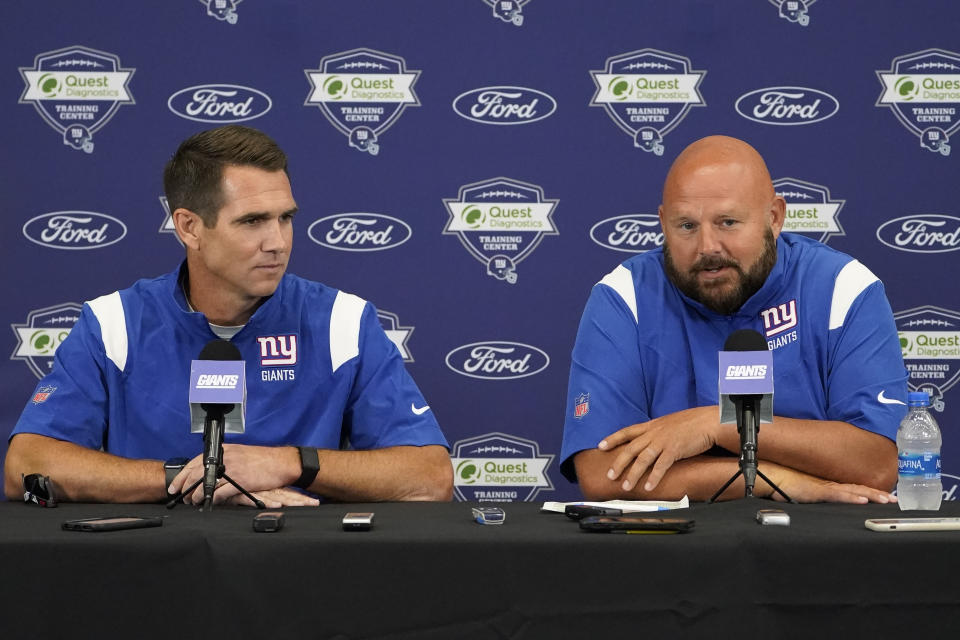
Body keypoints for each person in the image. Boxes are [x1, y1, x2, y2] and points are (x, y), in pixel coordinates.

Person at [5, 125, 453, 507]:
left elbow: (430, 477)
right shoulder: (113, 323)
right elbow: (25, 466)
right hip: (151, 577)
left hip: (305, 576)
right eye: (252, 221)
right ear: (189, 227)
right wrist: (195, 478)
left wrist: (284, 463)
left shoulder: (343, 322)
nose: (277, 242)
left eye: (285, 218)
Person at [560, 135, 908, 503]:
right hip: (670, 551)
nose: (708, 246)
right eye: (686, 226)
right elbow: (602, 473)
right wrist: (767, 478)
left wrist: (718, 425)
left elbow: (878, 465)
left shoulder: (843, 288)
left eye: (727, 222)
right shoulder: (624, 295)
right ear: (663, 223)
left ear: (774, 218)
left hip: (814, 548)